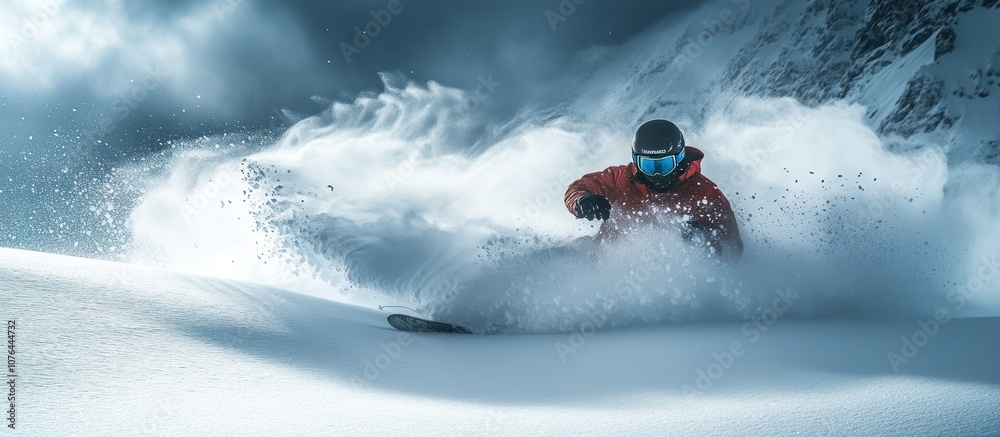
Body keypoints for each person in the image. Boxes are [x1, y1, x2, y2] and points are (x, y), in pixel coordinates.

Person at [563, 119, 743, 260]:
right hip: (598, 255)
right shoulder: (621, 178)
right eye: (648, 165)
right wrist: (582, 201)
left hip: (667, 277)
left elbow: (733, 249)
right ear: (636, 160)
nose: (657, 174)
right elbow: (581, 187)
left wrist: (705, 239)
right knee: (552, 259)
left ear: (679, 159)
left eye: (665, 165)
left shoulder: (704, 193)